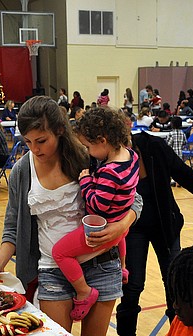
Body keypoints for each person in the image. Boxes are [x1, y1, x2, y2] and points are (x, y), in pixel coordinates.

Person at [0, 96, 141, 336]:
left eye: (41, 141)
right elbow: (12, 226)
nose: (35, 149)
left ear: (59, 131)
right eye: (27, 142)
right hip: (52, 270)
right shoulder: (21, 171)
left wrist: (121, 226)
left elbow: (134, 198)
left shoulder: (88, 156)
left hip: (102, 264)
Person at [116, 118, 193, 336]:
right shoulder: (106, 160)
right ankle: (126, 334)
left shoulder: (154, 147)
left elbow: (184, 174)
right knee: (134, 284)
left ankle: (178, 334)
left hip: (165, 224)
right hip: (132, 229)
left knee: (174, 280)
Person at [52, 106, 139, 320]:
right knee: (121, 236)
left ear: (102, 140)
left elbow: (96, 206)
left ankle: (84, 291)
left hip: (102, 227)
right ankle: (123, 268)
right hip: (120, 223)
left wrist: (86, 181)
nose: (88, 152)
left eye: (88, 146)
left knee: (59, 252)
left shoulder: (110, 172)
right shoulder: (131, 155)